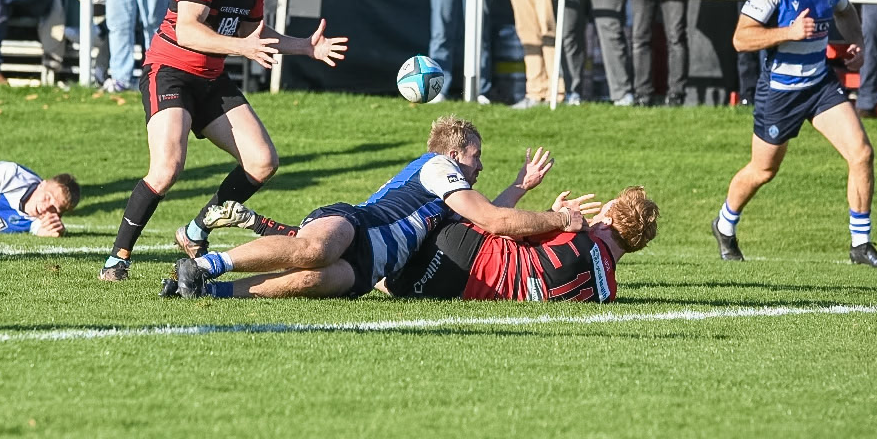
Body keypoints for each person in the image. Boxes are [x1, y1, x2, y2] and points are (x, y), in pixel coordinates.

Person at [99, 0, 347, 282]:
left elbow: (253, 33)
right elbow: (188, 30)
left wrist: (305, 47)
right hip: (170, 72)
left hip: (211, 78)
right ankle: (117, 259)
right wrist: (241, 47)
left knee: (262, 161)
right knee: (166, 169)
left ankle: (196, 230)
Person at [169, 117, 585, 299]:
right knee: (315, 250)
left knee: (310, 280)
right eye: (476, 157)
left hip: (369, 268)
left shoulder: (450, 196)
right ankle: (204, 266)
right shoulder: (437, 167)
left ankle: (209, 290)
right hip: (356, 223)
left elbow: (488, 220)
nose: (480, 166)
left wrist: (521, 185)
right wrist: (563, 219)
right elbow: (495, 220)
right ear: (455, 154)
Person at [709, 0, 877, 268]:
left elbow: (845, 11)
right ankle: (725, 224)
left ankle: (860, 244)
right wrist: (788, 33)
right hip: (780, 91)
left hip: (820, 85)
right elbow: (740, 39)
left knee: (862, 154)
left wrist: (857, 42)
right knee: (763, 170)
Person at [383, 186, 657, 302]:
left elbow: (503, 227)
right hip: (462, 289)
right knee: (390, 280)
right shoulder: (608, 292)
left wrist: (555, 217)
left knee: (438, 206)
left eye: (605, 208)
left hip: (468, 251)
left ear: (607, 221)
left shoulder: (576, 237)